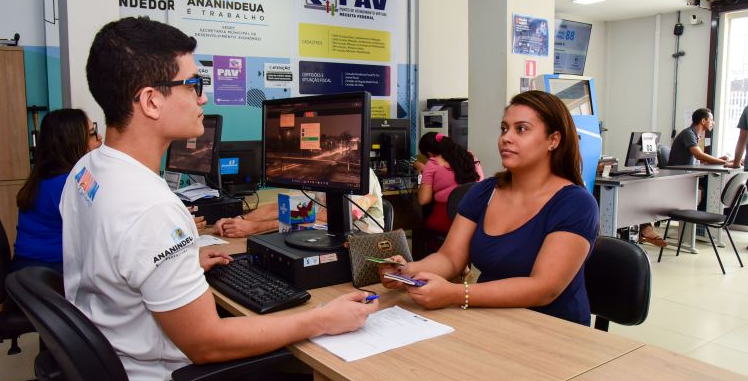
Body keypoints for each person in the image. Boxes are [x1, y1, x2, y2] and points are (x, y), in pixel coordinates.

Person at [60, 17, 377, 381]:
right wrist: (321, 318)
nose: (202, 98)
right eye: (193, 85)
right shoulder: (150, 207)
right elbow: (207, 344)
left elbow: (111, 263)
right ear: (151, 100)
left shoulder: (88, 170)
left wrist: (179, 264)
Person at [378, 90, 598, 326]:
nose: (506, 138)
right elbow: (451, 258)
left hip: (553, 331)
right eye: (504, 129)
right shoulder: (485, 192)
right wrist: (409, 271)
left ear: (553, 140)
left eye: (521, 129)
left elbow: (544, 288)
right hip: (492, 320)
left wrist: (456, 293)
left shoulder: (575, 203)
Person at [12, 108, 102, 274]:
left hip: (29, 269)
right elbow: (104, 221)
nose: (100, 138)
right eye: (92, 133)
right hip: (44, 274)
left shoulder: (48, 176)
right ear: (73, 142)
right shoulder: (67, 182)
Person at [213, 169, 385, 238]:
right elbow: (284, 207)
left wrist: (253, 229)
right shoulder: (318, 172)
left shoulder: (360, 175)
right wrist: (239, 221)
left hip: (363, 247)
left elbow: (327, 218)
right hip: (323, 238)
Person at [413, 132, 483, 234]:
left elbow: (423, 200)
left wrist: (422, 174)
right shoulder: (470, 157)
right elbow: (480, 182)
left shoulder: (433, 163)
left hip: (447, 219)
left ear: (429, 154)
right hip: (475, 219)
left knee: (420, 220)